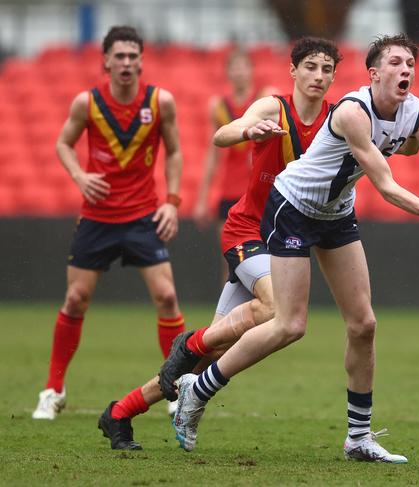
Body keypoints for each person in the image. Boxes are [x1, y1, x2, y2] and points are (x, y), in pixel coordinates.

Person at [166, 33, 419, 462]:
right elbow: (387, 188)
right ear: (374, 73)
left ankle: (358, 438)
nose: (406, 71)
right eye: (396, 63)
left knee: (364, 324)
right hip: (293, 207)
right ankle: (200, 387)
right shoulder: (352, 112)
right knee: (290, 324)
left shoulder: (415, 112)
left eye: (411, 65)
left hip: (337, 213)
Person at [98, 37, 342, 450]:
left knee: (211, 355)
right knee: (275, 308)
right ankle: (190, 341)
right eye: (311, 67)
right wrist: (249, 129)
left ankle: (120, 411)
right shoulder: (273, 106)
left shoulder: (339, 118)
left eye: (326, 69)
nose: (319, 76)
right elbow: (222, 134)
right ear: (293, 71)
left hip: (282, 240)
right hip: (247, 230)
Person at [32, 26, 185, 420]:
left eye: (134, 56)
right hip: (97, 218)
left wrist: (171, 202)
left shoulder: (160, 101)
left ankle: (177, 386)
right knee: (75, 300)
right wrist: (80, 177)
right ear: (105, 61)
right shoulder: (88, 103)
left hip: (142, 216)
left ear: (141, 61)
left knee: (167, 297)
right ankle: (53, 389)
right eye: (120, 56)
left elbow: (174, 152)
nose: (127, 63)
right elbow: (62, 143)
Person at [193, 48, 272, 282]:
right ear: (227, 73)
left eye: (243, 67)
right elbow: (213, 154)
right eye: (234, 68)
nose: (239, 73)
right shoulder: (218, 106)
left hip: (259, 189)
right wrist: (201, 199)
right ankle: (228, 312)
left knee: (266, 254)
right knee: (230, 259)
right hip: (230, 190)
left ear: (251, 70)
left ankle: (267, 310)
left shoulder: (264, 99)